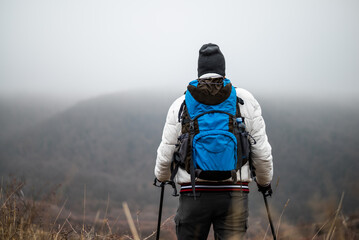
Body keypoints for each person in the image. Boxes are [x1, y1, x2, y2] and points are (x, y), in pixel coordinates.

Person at [154, 43, 273, 240]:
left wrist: (161, 177)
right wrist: (264, 182)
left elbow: (166, 151)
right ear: (222, 69)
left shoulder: (181, 103)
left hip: (193, 192)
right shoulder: (245, 100)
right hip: (234, 193)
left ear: (199, 70)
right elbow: (260, 149)